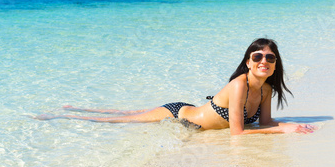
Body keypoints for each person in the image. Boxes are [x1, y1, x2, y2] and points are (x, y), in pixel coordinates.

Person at [35, 38, 315, 135]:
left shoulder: (266, 90)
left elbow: (263, 124)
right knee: (120, 120)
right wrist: (284, 130)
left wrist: (285, 126)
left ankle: (74, 107)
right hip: (179, 116)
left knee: (132, 112)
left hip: (190, 112)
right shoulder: (238, 84)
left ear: (275, 64)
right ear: (248, 62)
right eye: (258, 56)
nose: (264, 60)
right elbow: (239, 134)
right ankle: (66, 114)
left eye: (270, 57)